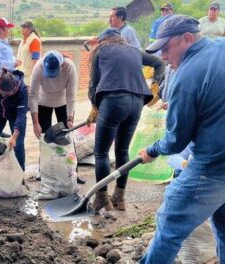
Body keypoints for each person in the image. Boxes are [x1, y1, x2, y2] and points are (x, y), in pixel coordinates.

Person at [139, 15, 225, 264]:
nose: (164, 56)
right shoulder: (220, 47)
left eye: (167, 48)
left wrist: (152, 150)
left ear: (187, 38)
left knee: (169, 226)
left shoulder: (186, 75)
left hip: (211, 169)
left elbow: (176, 140)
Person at [87, 28, 165, 212]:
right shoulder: (133, 50)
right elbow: (160, 63)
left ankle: (101, 198)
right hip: (136, 103)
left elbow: (94, 83)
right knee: (122, 151)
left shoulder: (101, 50)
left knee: (101, 153)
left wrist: (94, 107)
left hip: (113, 101)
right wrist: (156, 85)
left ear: (103, 40)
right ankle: (119, 197)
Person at [0, 68, 28, 171]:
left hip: (15, 114)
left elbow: (21, 115)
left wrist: (15, 136)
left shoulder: (22, 89)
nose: (3, 96)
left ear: (13, 88)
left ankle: (20, 174)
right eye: (1, 93)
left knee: (18, 144)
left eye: (7, 94)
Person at [29, 50, 77, 138]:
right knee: (45, 135)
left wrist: (70, 118)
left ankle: (65, 152)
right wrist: (35, 123)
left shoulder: (69, 67)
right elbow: (33, 95)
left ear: (61, 65)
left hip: (62, 102)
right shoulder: (38, 66)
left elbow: (71, 95)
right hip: (43, 101)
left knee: (65, 135)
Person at [17, 21, 41, 85]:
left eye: (24, 28)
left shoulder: (34, 40)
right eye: (22, 28)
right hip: (21, 74)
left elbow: (35, 59)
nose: (22, 30)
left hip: (29, 76)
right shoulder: (24, 40)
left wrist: (33, 77)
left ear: (30, 29)